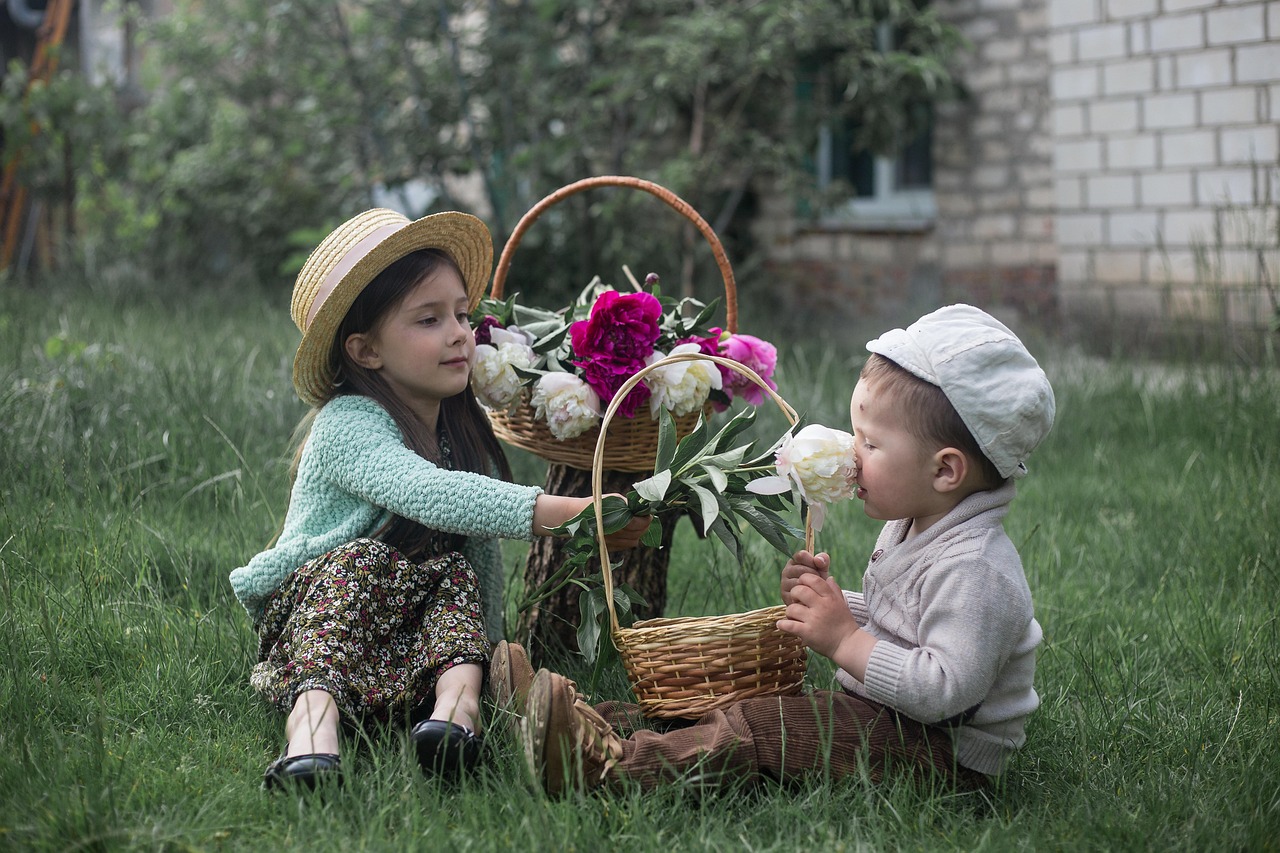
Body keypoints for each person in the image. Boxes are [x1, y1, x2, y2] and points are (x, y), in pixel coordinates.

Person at [508, 303, 1055, 796]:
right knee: (733, 702)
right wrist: (835, 603)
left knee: (762, 728)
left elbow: (942, 691)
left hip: (941, 753)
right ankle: (578, 718)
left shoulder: (976, 569)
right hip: (890, 718)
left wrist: (842, 636)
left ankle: (611, 767)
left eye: (871, 442)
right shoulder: (921, 523)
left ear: (946, 469)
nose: (854, 453)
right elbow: (906, 618)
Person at [228, 208, 648, 791]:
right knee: (364, 561)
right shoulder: (349, 423)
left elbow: (475, 563)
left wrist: (491, 637)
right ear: (365, 351)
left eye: (461, 314)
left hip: (407, 649)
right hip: (320, 627)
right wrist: (560, 515)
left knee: (454, 579)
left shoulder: (455, 429)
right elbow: (429, 495)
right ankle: (312, 740)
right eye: (428, 320)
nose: (459, 333)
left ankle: (454, 720)